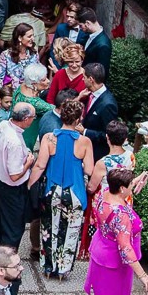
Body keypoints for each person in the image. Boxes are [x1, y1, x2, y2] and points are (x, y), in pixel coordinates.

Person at [84, 166, 148, 295]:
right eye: (129, 185)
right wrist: (143, 275)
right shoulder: (121, 215)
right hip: (114, 260)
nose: (131, 187)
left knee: (100, 292)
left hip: (100, 250)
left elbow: (121, 190)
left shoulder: (105, 193)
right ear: (122, 188)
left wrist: (135, 180)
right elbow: (125, 248)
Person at [29, 96, 95, 280]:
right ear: (78, 119)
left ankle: (49, 266)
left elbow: (40, 165)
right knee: (71, 230)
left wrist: (29, 184)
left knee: (49, 228)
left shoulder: (50, 138)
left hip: (52, 189)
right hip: (74, 191)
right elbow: (89, 169)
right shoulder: (84, 142)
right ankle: (63, 269)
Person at [0, 24, 37, 176]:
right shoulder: (5, 55)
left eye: (33, 35)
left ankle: (15, 166)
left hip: (25, 99)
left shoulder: (34, 54)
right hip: (9, 98)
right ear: (20, 38)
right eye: (29, 36)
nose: (33, 39)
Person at [0, 100, 36, 251]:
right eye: (33, 117)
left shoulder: (3, 125)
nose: (33, 119)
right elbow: (14, 175)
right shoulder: (14, 141)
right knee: (13, 227)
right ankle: (6, 261)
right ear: (25, 119)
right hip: (13, 188)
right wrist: (28, 163)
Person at [79, 62, 119, 159]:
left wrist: (85, 131)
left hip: (97, 154)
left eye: (84, 77)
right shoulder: (91, 94)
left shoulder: (108, 104)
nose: (82, 79)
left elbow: (109, 135)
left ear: (91, 79)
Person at [77, 7, 113, 78]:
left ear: (87, 23)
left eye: (81, 26)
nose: (80, 29)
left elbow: (102, 72)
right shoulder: (87, 34)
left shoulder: (103, 45)